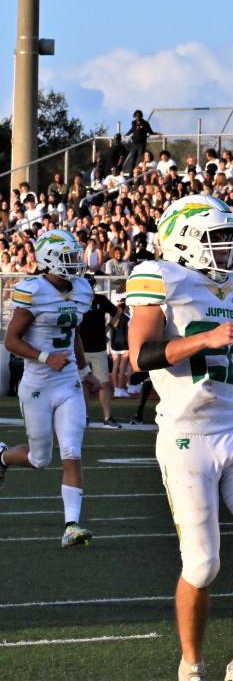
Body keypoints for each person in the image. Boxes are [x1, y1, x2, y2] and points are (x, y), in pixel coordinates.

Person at [126, 194, 233, 681]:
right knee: (201, 567)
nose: (228, 250)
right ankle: (191, 667)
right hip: (185, 437)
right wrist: (206, 338)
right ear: (185, 242)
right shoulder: (159, 277)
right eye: (217, 240)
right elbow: (141, 356)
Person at [0, 231, 98, 547]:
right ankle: (2, 457)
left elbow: (74, 334)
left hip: (67, 381)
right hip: (38, 382)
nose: (74, 263)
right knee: (40, 458)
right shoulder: (33, 291)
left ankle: (72, 525)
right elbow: (11, 340)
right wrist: (45, 357)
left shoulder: (82, 289)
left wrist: (84, 371)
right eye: (67, 257)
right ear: (49, 259)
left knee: (72, 451)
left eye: (74, 256)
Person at [77, 277, 120, 428]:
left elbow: (117, 312)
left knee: (104, 383)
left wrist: (110, 327)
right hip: (79, 350)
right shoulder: (76, 301)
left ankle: (107, 417)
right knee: (82, 384)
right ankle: (84, 416)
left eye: (90, 285)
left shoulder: (100, 299)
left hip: (98, 348)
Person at [124, 109, 156, 175]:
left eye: (138, 116)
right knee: (132, 160)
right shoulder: (133, 122)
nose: (137, 117)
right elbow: (132, 130)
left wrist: (157, 133)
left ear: (141, 116)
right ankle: (131, 176)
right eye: (136, 116)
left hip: (141, 144)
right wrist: (126, 134)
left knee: (139, 160)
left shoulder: (145, 123)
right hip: (134, 144)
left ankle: (139, 175)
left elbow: (150, 132)